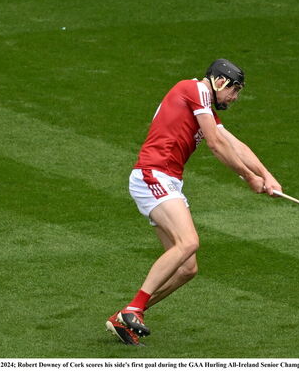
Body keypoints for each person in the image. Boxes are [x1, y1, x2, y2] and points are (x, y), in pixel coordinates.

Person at [105, 59, 281, 346]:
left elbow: (234, 143)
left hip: (168, 180)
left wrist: (267, 175)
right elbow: (215, 144)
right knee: (189, 242)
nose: (234, 99)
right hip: (153, 175)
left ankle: (126, 316)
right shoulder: (195, 89)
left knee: (187, 268)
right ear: (221, 82)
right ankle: (134, 308)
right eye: (235, 91)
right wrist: (249, 177)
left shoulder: (204, 108)